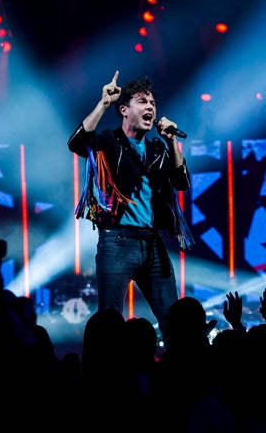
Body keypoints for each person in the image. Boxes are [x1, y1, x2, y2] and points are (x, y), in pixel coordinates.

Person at [67, 70, 194, 337]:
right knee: (110, 322)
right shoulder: (108, 142)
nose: (150, 107)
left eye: (153, 103)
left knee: (174, 321)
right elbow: (77, 143)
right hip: (117, 242)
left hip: (153, 245)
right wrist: (103, 103)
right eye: (142, 102)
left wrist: (171, 141)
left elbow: (182, 182)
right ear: (124, 110)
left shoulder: (159, 150)